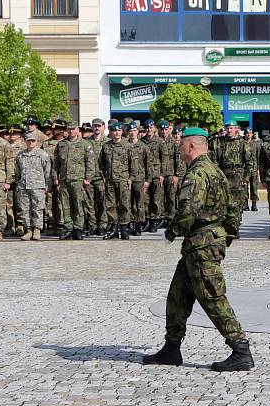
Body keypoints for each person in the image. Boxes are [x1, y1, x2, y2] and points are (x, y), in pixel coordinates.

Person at [143, 127, 253, 372]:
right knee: (178, 295)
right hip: (201, 243)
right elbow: (235, 204)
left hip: (202, 243)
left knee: (212, 297)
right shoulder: (216, 170)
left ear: (191, 146)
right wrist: (229, 232)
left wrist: (172, 232)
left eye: (180, 144)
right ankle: (171, 348)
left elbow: (188, 211)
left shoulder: (197, 173)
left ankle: (240, 350)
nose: (178, 149)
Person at [211, 120, 252, 238]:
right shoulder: (219, 142)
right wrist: (216, 131)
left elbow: (249, 163)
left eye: (231, 128)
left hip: (237, 175)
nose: (229, 130)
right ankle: (225, 228)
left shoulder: (243, 143)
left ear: (236, 130)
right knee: (222, 204)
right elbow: (206, 139)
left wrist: (246, 178)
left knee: (237, 205)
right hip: (223, 175)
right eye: (227, 128)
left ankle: (234, 228)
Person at [55, 123, 95, 240]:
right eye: (69, 129)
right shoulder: (61, 144)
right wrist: (55, 177)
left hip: (79, 180)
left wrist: (88, 178)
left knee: (78, 205)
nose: (71, 131)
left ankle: (78, 228)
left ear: (78, 130)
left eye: (74, 129)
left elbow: (90, 163)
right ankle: (69, 228)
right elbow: (56, 163)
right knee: (65, 206)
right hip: (64, 179)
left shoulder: (85, 144)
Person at [15, 132, 52, 241]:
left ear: (36, 142)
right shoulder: (20, 155)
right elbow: (17, 172)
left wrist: (46, 185)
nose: (31, 143)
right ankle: (29, 230)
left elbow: (47, 171)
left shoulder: (43, 154)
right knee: (24, 209)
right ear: (25, 142)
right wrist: (18, 184)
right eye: (29, 141)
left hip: (38, 186)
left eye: (33, 141)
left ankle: (37, 229)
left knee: (37, 209)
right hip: (23, 186)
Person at [100, 122, 132, 240]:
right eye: (114, 131)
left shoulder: (127, 146)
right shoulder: (106, 146)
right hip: (110, 180)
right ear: (111, 132)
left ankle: (124, 229)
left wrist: (131, 178)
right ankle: (113, 229)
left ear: (122, 132)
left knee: (124, 205)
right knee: (110, 205)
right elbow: (101, 163)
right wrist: (104, 176)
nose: (116, 133)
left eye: (119, 131)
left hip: (123, 180)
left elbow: (133, 163)